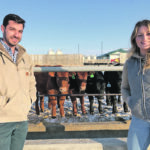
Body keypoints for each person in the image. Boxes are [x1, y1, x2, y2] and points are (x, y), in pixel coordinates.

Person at [0, 14, 36, 150]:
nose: (16, 35)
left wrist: (29, 99)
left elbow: (31, 83)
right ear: (3, 28)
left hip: (21, 119)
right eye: (12, 29)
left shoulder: (25, 56)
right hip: (2, 120)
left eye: (20, 31)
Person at [121, 19, 150, 150]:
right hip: (139, 120)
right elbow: (124, 87)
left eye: (148, 33)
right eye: (140, 35)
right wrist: (130, 101)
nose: (144, 38)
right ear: (135, 38)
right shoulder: (129, 64)